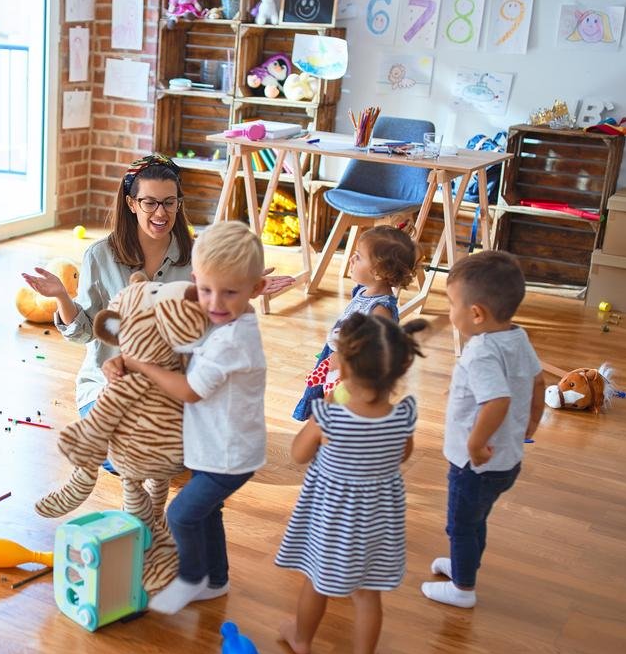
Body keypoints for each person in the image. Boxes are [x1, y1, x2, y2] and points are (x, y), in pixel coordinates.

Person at [22, 153, 293, 417]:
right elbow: (85, 334)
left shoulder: (199, 255)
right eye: (150, 203)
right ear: (131, 204)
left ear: (178, 204)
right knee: (127, 444)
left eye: (169, 202)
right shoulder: (99, 255)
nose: (161, 213)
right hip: (110, 387)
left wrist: (242, 289)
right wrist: (61, 296)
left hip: (174, 387)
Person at [106, 220, 268, 614]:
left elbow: (190, 390)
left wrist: (141, 366)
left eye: (230, 292)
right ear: (195, 281)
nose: (215, 303)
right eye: (207, 290)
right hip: (212, 448)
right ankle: (216, 580)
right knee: (208, 513)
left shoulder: (234, 339)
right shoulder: (222, 320)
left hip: (228, 455)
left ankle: (191, 577)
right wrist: (126, 357)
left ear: (256, 288)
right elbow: (179, 343)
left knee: (180, 514)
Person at [276, 313, 428, 654]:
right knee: (368, 593)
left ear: (342, 368)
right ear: (399, 371)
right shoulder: (403, 416)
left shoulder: (328, 417)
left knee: (317, 582)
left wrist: (324, 415)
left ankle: (301, 639)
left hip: (331, 519)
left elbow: (297, 454)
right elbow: (403, 455)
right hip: (377, 519)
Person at [422, 251, 544, 609]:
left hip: (474, 465)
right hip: (506, 461)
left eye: (451, 303)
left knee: (460, 526)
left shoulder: (481, 351)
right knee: (476, 521)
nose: (449, 311)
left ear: (476, 313)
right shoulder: (517, 337)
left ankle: (463, 589)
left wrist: (475, 445)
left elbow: (497, 400)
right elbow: (538, 381)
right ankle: (465, 566)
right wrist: (531, 423)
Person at [292, 226, 418, 421]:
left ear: (378, 272)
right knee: (325, 404)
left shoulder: (380, 309)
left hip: (352, 372)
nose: (351, 259)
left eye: (358, 257)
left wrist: (344, 359)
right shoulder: (362, 290)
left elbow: (377, 351)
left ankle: (337, 431)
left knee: (340, 411)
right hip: (335, 357)